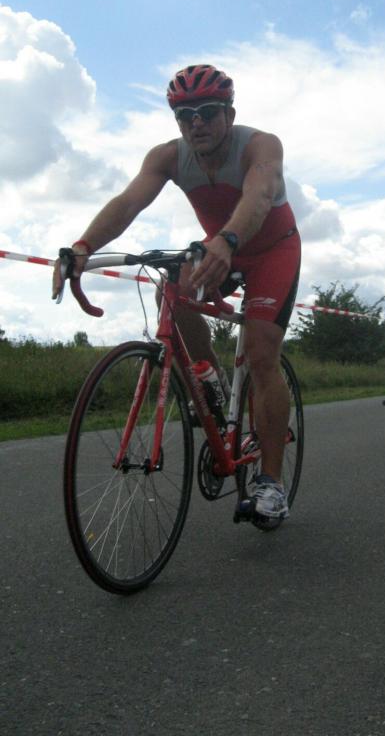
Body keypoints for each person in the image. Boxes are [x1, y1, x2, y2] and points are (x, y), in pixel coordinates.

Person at [52, 64, 301, 520]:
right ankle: (209, 380)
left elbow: (260, 195)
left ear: (229, 114)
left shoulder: (260, 145)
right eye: (185, 115)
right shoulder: (168, 156)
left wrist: (226, 241)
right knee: (173, 289)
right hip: (222, 244)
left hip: (271, 251)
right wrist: (83, 246)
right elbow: (128, 202)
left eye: (207, 112)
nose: (196, 123)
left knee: (262, 353)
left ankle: (271, 483)